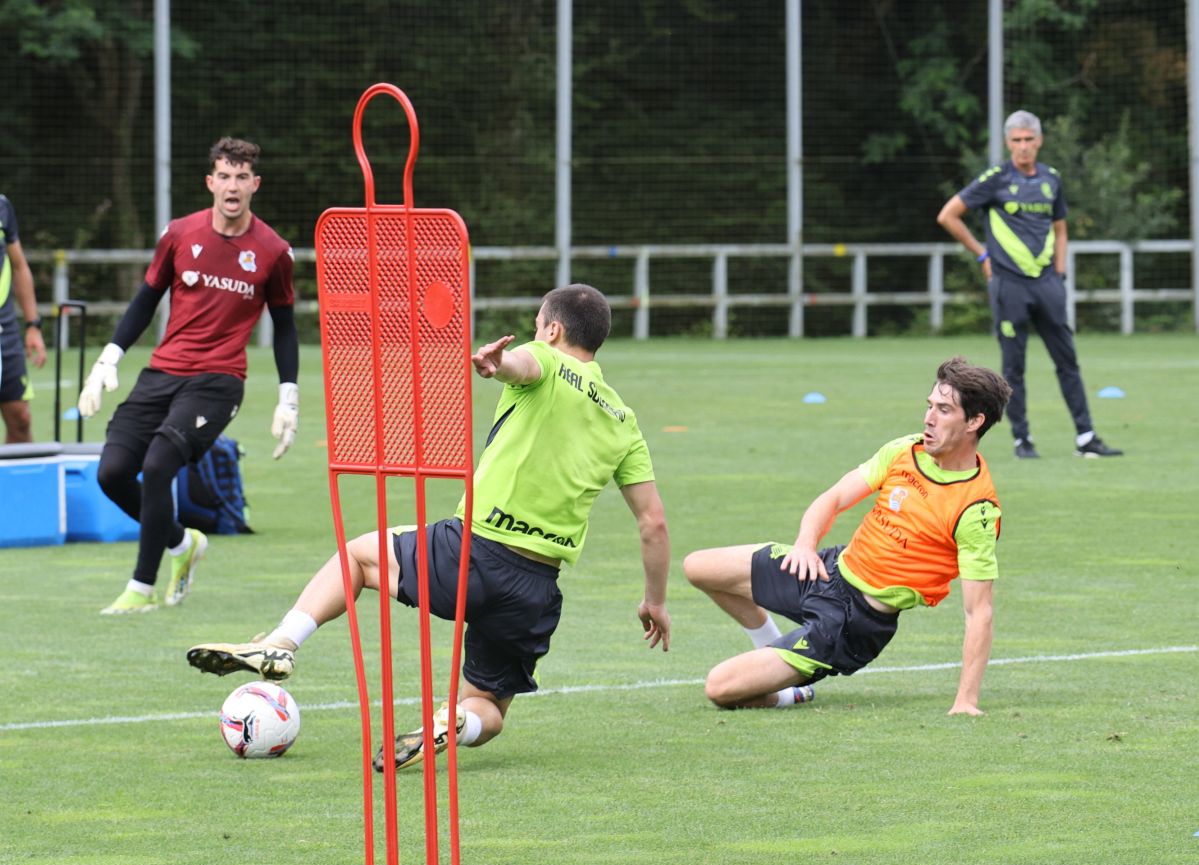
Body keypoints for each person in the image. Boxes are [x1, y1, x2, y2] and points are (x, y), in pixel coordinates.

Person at [187, 284, 672, 770]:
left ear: (553, 329)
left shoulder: (545, 359)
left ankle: (281, 644)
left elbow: (524, 365)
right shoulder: (623, 420)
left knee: (357, 556)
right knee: (490, 706)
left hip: (472, 552)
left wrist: (496, 365)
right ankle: (456, 722)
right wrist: (654, 601)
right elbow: (653, 523)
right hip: (535, 588)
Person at [685, 357, 1011, 716]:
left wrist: (966, 701)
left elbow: (979, 611)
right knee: (698, 567)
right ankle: (773, 650)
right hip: (829, 570)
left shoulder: (976, 509)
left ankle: (787, 691)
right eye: (930, 405)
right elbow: (834, 497)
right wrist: (806, 547)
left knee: (720, 688)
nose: (928, 418)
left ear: (975, 422)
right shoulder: (906, 450)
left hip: (853, 622)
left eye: (944, 410)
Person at [77, 137, 299, 615]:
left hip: (218, 381)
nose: (233, 186)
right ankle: (182, 543)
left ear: (254, 185)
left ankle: (141, 587)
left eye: (242, 177)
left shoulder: (273, 251)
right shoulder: (180, 233)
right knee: (112, 473)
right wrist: (108, 359)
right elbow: (145, 300)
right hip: (162, 372)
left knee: (158, 467)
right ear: (210, 182)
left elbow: (284, 327)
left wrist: (289, 397)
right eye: (224, 176)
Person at [937, 109, 1122, 460]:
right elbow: (948, 215)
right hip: (1009, 287)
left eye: (1029, 140)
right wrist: (982, 256)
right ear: (1009, 143)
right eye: (1017, 140)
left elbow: (1061, 227)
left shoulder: (1051, 179)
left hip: (1047, 285)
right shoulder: (995, 179)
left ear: (1039, 141)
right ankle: (1022, 440)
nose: (1023, 147)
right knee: (1013, 370)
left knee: (1068, 362)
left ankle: (1086, 438)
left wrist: (1061, 273)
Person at [0, 194, 48, 443]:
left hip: (4, 331)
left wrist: (33, 325)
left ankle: (15, 482)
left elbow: (19, 266)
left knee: (20, 418)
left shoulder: (2, 206)